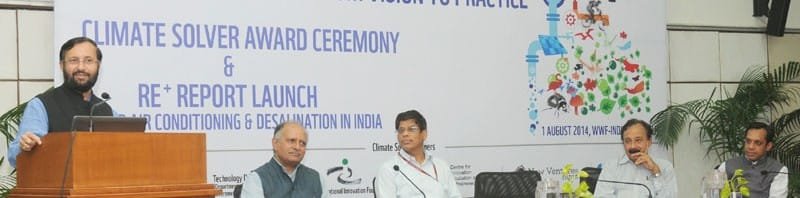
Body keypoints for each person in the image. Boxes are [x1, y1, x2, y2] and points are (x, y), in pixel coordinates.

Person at [8, 37, 112, 168]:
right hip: (55, 186)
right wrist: (25, 146)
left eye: (88, 61)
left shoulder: (108, 110)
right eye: (74, 61)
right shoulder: (41, 105)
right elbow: (14, 157)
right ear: (62, 65)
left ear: (98, 66)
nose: (81, 67)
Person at [375, 110, 462, 198]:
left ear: (424, 134)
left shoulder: (441, 165)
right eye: (401, 130)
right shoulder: (389, 169)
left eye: (411, 129)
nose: (405, 134)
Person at [241, 121, 328, 198]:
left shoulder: (317, 179)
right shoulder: (256, 179)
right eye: (292, 141)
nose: (297, 147)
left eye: (302, 143)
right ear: (275, 143)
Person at [594, 119, 677, 198]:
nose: (633, 146)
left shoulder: (665, 167)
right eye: (628, 141)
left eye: (638, 140)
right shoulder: (611, 167)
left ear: (649, 142)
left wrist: (656, 172)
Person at [717, 122, 788, 198]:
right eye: (748, 141)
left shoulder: (778, 170)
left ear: (768, 146)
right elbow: (713, 193)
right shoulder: (726, 166)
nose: (751, 147)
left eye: (757, 143)